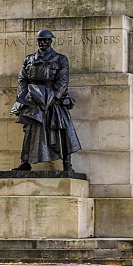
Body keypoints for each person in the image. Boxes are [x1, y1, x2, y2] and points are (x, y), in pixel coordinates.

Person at [10, 30, 81, 171]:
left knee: (62, 130)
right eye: (40, 40)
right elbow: (22, 79)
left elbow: (63, 80)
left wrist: (53, 97)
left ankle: (67, 163)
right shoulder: (29, 59)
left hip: (53, 99)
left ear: (50, 41)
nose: (43, 43)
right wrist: (26, 96)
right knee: (30, 131)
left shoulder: (60, 59)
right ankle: (26, 162)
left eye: (45, 40)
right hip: (33, 99)